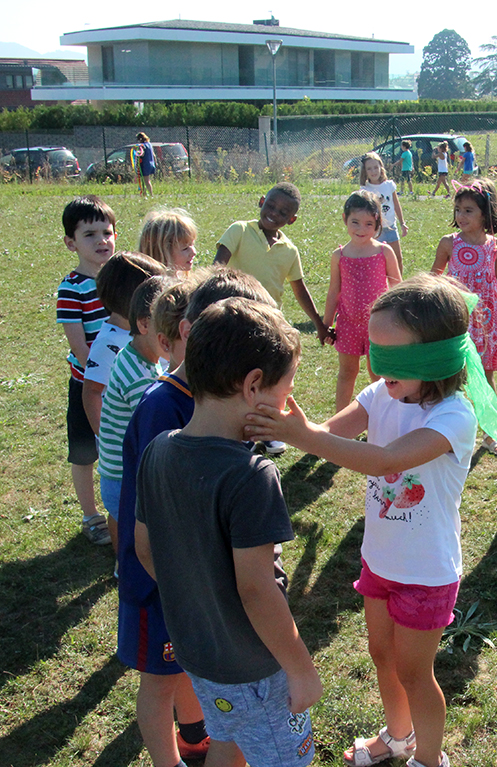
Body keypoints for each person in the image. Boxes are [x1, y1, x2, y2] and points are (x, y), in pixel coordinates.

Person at [244, 273, 497, 767]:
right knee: (382, 656)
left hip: (427, 573)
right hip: (380, 561)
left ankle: (429, 759)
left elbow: (385, 460)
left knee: (416, 672)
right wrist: (290, 422)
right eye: (375, 349)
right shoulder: (381, 394)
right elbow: (329, 435)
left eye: (392, 355)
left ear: (433, 356)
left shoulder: (454, 417)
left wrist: (303, 436)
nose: (378, 365)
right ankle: (398, 737)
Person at [134, 298, 322, 767]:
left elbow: (144, 547)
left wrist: (198, 600)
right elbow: (257, 589)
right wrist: (300, 670)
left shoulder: (158, 450)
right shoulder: (251, 474)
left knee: (228, 740)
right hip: (255, 667)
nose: (289, 402)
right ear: (254, 385)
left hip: (198, 654)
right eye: (287, 387)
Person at [117, 270, 277, 767]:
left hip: (196, 583)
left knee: (189, 667)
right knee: (160, 677)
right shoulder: (164, 410)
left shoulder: (215, 402)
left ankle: (195, 736)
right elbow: (156, 515)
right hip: (159, 582)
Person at [214, 182, 329, 455]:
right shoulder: (239, 230)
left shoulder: (289, 250)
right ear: (261, 201)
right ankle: (235, 434)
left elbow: (299, 289)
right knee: (234, 379)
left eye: (283, 212)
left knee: (266, 380)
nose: (274, 214)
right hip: (233, 318)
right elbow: (217, 266)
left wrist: (319, 324)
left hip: (267, 324)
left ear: (292, 219)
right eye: (271, 206)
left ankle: (267, 432)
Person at [432, 179, 497, 455]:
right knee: (449, 380)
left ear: (485, 214)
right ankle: (443, 435)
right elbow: (433, 282)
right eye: (457, 210)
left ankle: (491, 435)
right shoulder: (448, 243)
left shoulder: (496, 246)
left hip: (489, 324)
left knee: (486, 381)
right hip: (456, 322)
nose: (460, 216)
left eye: (468, 210)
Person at [57, 195, 116, 545]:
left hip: (123, 385)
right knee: (84, 453)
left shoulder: (121, 277)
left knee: (121, 446)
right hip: (88, 386)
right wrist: (101, 380)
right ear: (71, 243)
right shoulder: (72, 288)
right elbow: (80, 348)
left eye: (107, 232)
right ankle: (91, 515)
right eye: (90, 234)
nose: (102, 241)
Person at [98, 275, 170, 554]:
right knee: (133, 528)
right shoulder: (139, 377)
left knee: (119, 519)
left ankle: (121, 565)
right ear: (143, 324)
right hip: (124, 475)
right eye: (168, 327)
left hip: (113, 470)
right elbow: (152, 427)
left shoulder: (134, 356)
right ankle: (128, 565)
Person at [324, 191, 401, 412]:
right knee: (347, 372)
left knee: (378, 374)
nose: (361, 229)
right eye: (355, 222)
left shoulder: (384, 251)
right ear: (344, 220)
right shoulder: (339, 256)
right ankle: (339, 423)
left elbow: (397, 287)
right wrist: (326, 324)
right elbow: (333, 292)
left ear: (377, 223)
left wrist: (398, 322)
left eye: (369, 224)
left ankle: (381, 419)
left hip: (378, 325)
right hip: (348, 324)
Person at [82, 253, 165, 441]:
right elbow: (92, 391)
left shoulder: (145, 332)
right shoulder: (107, 342)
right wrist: (105, 437)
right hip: (122, 446)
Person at [360, 152, 408, 275]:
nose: (373, 171)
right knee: (377, 261)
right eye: (369, 168)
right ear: (365, 171)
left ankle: (398, 286)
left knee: (397, 259)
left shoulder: (389, 185)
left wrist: (402, 222)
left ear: (381, 167)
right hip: (376, 231)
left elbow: (396, 205)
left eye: (376, 167)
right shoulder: (365, 190)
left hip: (391, 227)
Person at [139, 207, 198, 276]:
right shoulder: (154, 286)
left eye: (192, 244)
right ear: (161, 254)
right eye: (185, 248)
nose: (194, 252)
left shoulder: (185, 280)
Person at [135, 132, 156, 197]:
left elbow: (142, 154)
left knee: (145, 181)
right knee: (147, 180)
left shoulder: (142, 146)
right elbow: (154, 155)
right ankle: (147, 194)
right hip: (151, 164)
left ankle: (147, 195)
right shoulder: (149, 144)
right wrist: (155, 162)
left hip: (145, 165)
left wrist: (137, 151)